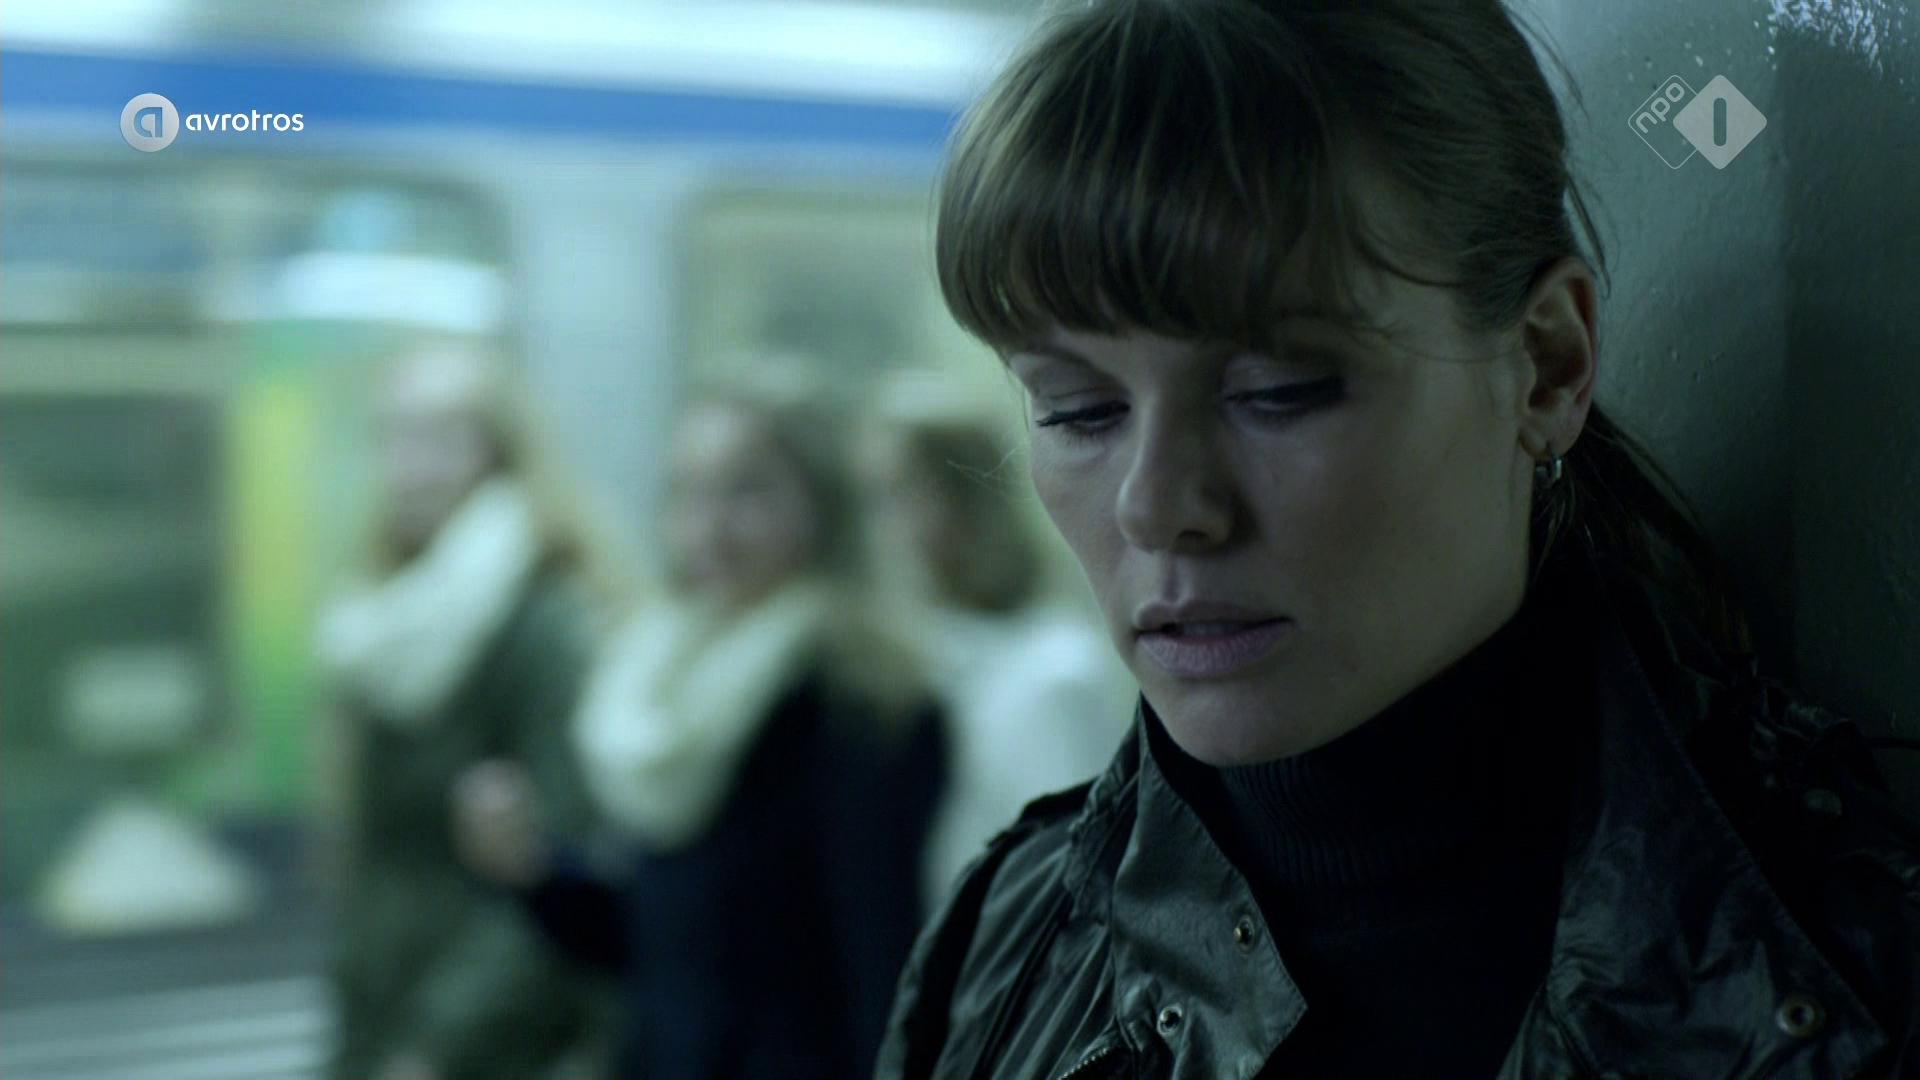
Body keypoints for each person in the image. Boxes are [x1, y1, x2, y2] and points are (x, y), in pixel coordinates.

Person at [874, 2, 1920, 1078]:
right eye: (1077, 411)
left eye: (1280, 391)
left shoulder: (1855, 961)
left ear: (1548, 367)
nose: (1156, 506)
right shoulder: (1004, 946)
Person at [455, 379, 948, 1080]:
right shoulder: (668, 684)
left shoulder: (857, 702)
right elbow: (661, 945)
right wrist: (535, 870)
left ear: (822, 506)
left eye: (746, 492)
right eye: (688, 493)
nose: (708, 528)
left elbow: (882, 970)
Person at [316, 341, 621, 1080]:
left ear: (499, 454)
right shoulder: (383, 619)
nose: (412, 467)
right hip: (381, 1016)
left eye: (441, 439)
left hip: (495, 1043)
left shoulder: (544, 622)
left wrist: (438, 1047)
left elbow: (556, 861)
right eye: (396, 435)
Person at [868, 401, 1135, 904]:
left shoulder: (1052, 673)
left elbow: (1070, 882)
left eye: (898, 494)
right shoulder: (908, 665)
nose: (875, 527)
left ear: (967, 505)